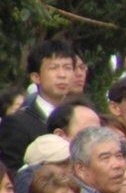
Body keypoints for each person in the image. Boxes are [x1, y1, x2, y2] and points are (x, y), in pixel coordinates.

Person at [0, 40, 83, 172]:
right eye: (53, 68)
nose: (62, 75)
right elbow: (12, 175)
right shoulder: (17, 123)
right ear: (36, 77)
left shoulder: (83, 117)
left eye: (67, 68)